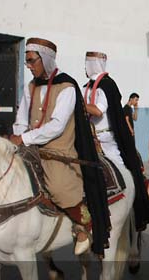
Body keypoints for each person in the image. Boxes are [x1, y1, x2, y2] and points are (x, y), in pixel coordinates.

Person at [12, 37, 111, 257]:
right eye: (26, 61)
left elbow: (57, 126)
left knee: (58, 188)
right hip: (29, 147)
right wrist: (18, 136)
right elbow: (21, 117)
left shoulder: (67, 86)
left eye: (31, 61)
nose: (28, 66)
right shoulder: (31, 86)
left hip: (57, 152)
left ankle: (84, 224)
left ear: (45, 59)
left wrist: (25, 139)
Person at [82, 51, 149, 231]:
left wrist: (76, 102)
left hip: (106, 140)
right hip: (89, 137)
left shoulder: (107, 85)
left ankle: (129, 208)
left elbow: (99, 110)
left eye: (88, 63)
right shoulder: (88, 86)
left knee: (120, 172)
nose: (85, 67)